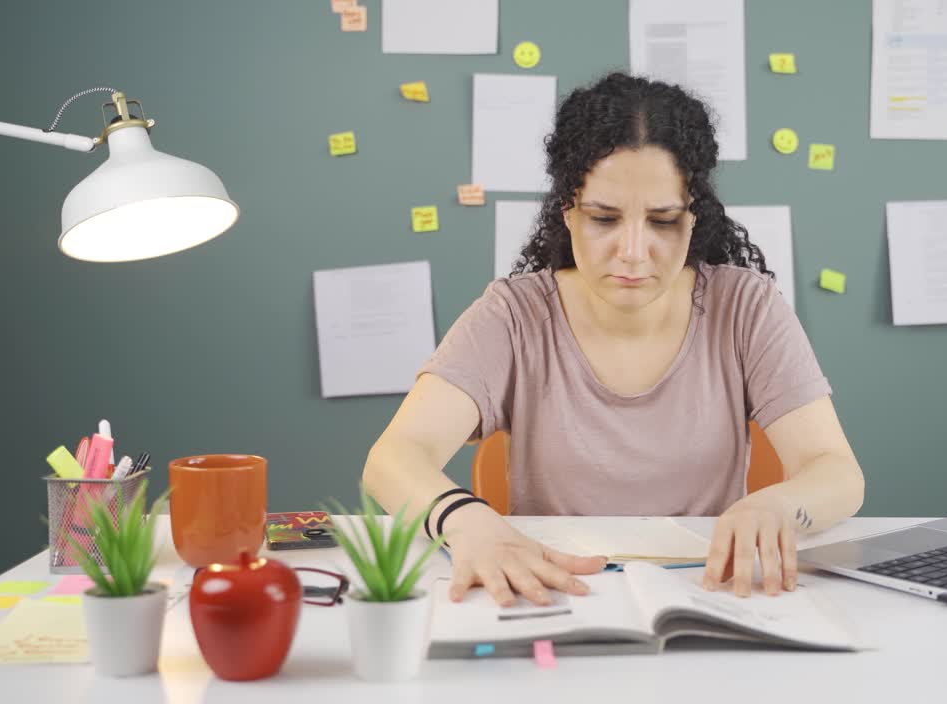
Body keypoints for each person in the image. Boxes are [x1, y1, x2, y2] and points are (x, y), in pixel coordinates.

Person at [363, 72, 865, 606]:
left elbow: (837, 472)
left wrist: (779, 506)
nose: (632, 251)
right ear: (568, 213)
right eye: (604, 218)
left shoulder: (746, 308)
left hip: (711, 595)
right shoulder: (513, 315)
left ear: (694, 219)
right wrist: (465, 521)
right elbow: (393, 458)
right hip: (551, 593)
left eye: (663, 221)